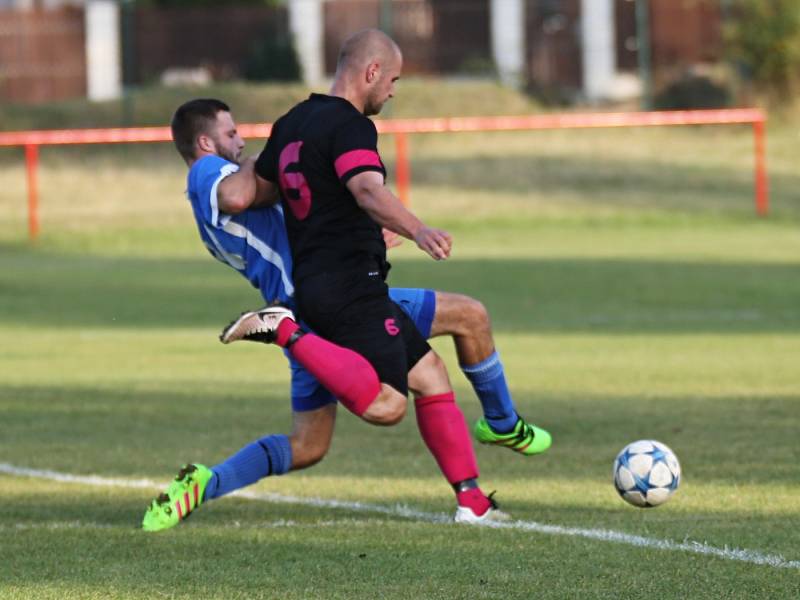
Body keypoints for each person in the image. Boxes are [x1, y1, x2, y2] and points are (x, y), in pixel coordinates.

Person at [142, 69, 550, 531]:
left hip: (323, 291)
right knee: (395, 397)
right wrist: (273, 152)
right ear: (205, 145)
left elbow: (295, 210)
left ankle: (205, 483)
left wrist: (362, 235)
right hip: (324, 303)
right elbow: (238, 194)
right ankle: (284, 333)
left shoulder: (217, 183)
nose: (240, 142)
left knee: (312, 443)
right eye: (231, 134)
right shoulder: (207, 173)